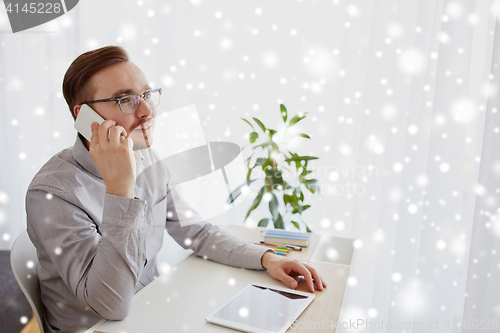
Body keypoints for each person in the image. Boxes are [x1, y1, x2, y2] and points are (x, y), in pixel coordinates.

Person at [26, 46, 326, 333]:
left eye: (146, 95)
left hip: (151, 308)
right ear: (84, 117)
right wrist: (120, 190)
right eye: (124, 100)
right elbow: (111, 304)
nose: (146, 111)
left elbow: (196, 232)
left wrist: (267, 258)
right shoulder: (52, 193)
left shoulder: (146, 158)